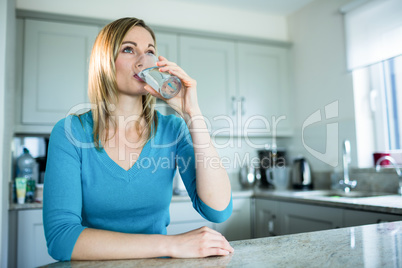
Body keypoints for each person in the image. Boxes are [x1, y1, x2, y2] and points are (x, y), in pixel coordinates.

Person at [43, 17, 234, 261]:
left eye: (150, 51)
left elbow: (218, 210)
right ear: (105, 62)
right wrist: (170, 245)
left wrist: (191, 114)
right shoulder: (71, 131)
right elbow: (61, 239)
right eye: (128, 49)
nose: (143, 60)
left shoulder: (172, 129)